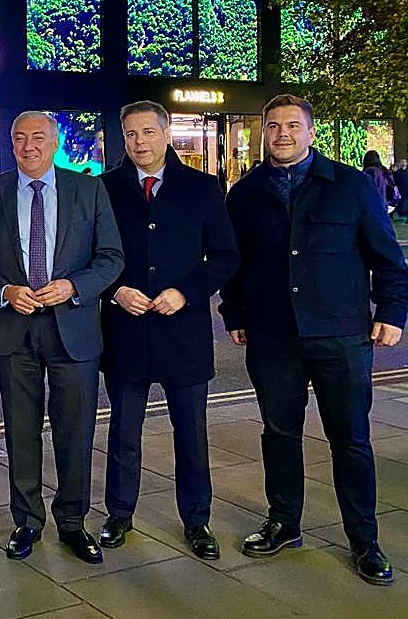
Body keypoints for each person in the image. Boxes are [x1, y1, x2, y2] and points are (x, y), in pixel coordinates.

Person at [220, 94, 408, 586]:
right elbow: (233, 264)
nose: (281, 134)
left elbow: (388, 258)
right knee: (279, 435)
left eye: (291, 126)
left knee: (350, 439)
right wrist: (234, 312)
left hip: (341, 336)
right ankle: (284, 523)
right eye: (273, 126)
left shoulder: (350, 185)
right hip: (272, 336)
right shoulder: (244, 194)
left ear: (310, 132)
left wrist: (392, 310)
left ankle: (364, 540)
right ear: (263, 133)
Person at [0, 111, 123, 564]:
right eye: (19, 138)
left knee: (75, 431)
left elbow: (111, 257)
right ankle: (27, 520)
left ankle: (73, 522)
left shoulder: (88, 189)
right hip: (15, 329)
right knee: (20, 431)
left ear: (54, 143)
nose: (28, 146)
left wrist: (74, 286)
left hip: (72, 328)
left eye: (38, 137)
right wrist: (4, 291)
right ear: (10, 143)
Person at [97, 101, 240, 559]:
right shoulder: (104, 189)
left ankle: (197, 521)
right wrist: (115, 290)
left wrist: (186, 292)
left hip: (183, 333)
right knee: (123, 433)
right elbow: (90, 255)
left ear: (165, 133)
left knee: (191, 433)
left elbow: (224, 257)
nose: (139, 143)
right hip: (126, 330)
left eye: (148, 133)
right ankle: (119, 515)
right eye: (131, 134)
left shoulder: (202, 188)